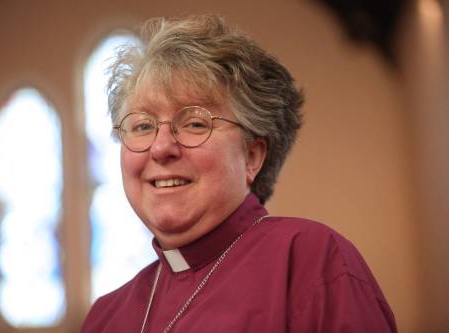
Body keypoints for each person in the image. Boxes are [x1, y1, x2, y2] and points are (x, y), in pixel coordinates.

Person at [80, 14, 397, 333]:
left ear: (252, 156)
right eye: (143, 126)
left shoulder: (312, 263)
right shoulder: (105, 317)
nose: (161, 148)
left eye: (195, 123)